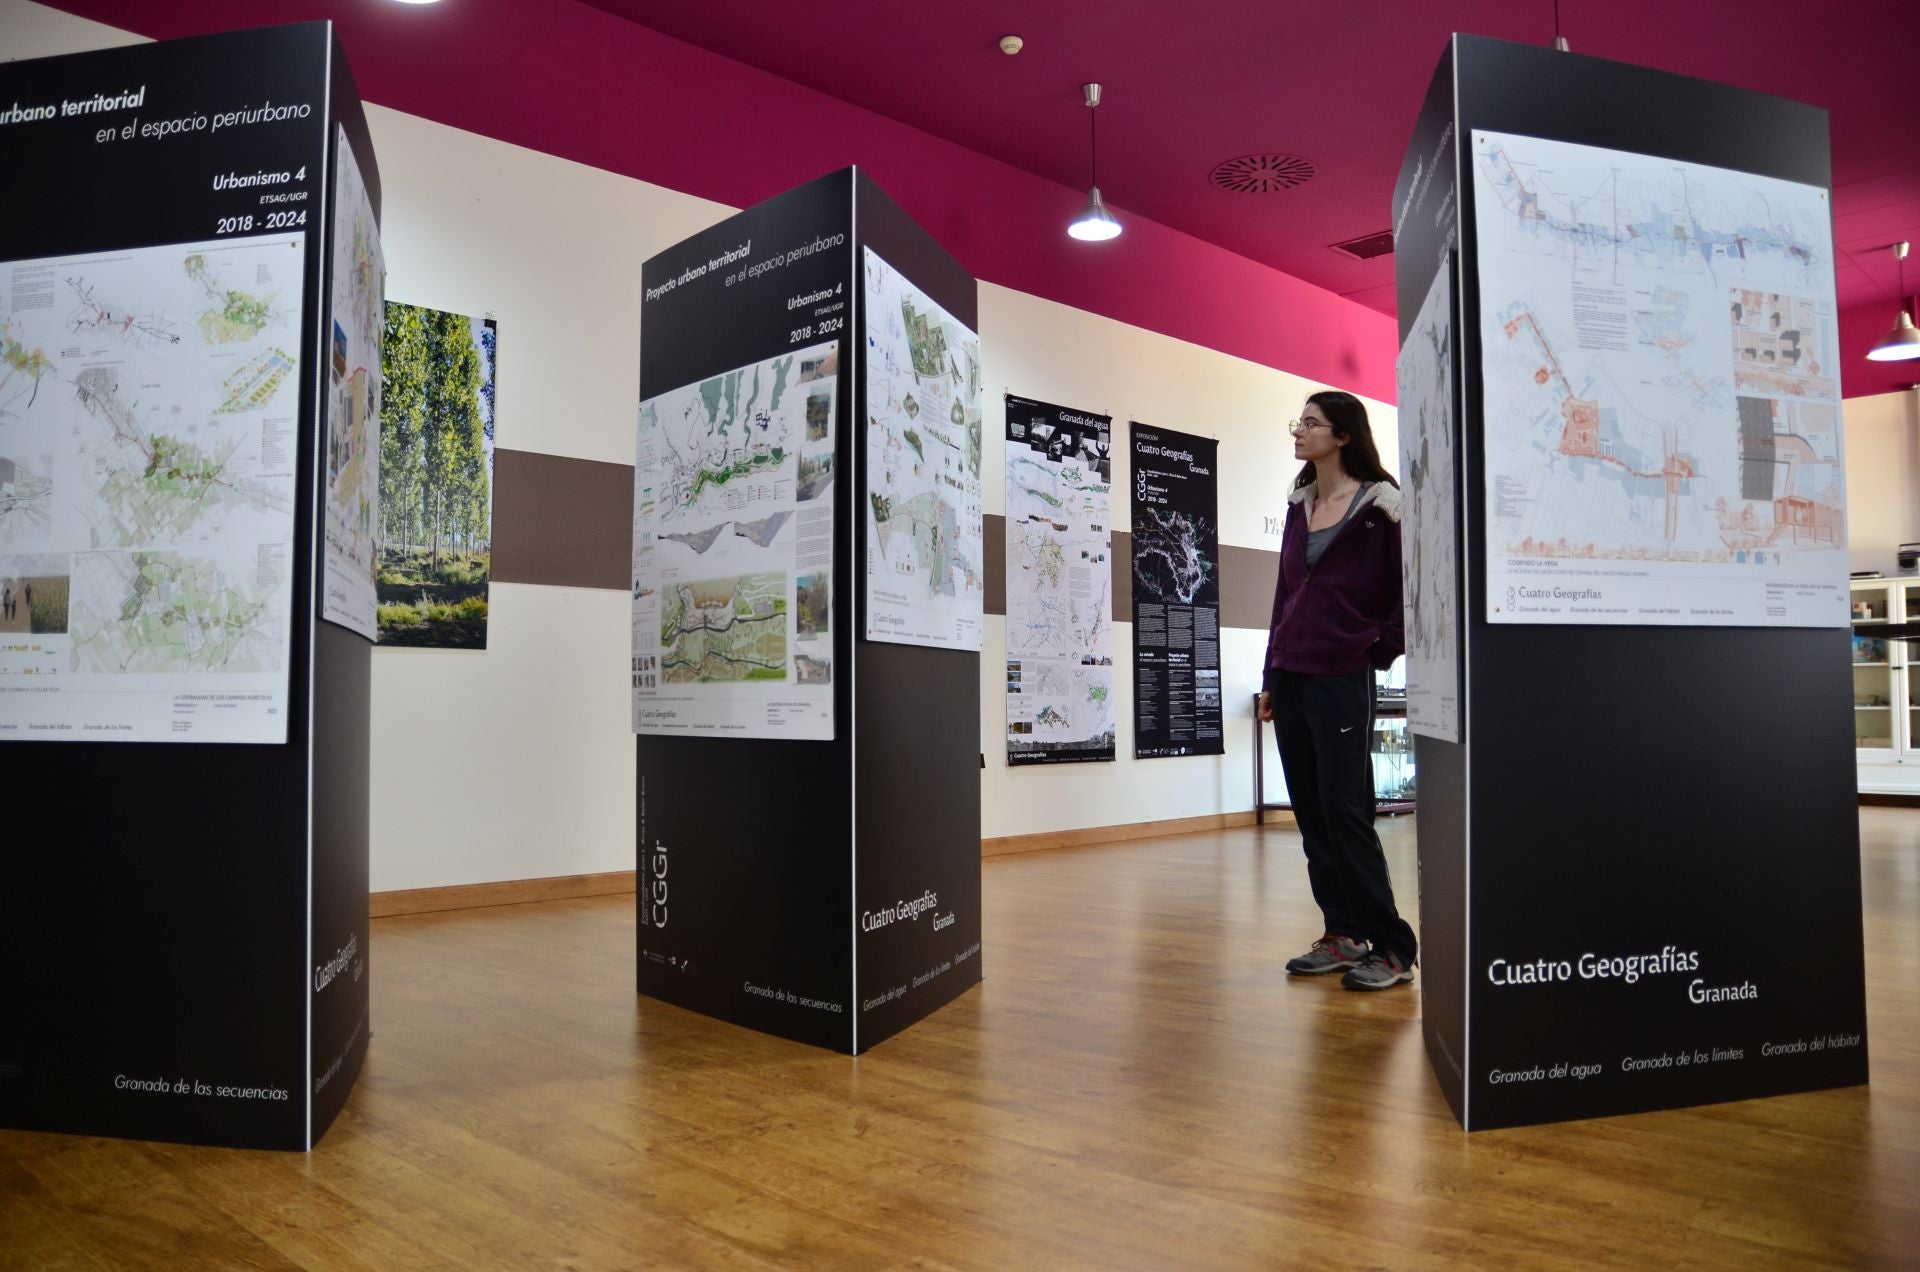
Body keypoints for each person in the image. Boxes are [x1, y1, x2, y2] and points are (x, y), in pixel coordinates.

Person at [1257, 390, 1419, 991]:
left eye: (1311, 423)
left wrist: (1374, 649)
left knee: (1346, 812)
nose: (1299, 431)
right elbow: (1284, 599)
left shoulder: (1383, 508)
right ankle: (1343, 933)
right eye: (1298, 422)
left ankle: (1393, 946)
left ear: (1343, 435)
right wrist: (1272, 674)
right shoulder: (1299, 507)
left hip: (1343, 676)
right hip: (1292, 675)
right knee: (1311, 812)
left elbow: (1409, 593)